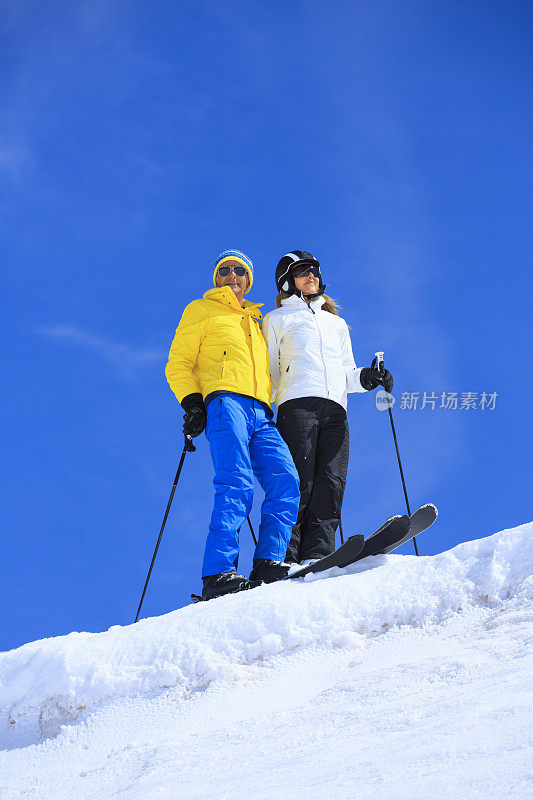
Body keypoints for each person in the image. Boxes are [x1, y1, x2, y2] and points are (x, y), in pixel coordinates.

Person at [165, 250, 300, 600]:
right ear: (216, 278)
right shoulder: (201, 310)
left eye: (240, 270)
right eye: (224, 270)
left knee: (286, 479)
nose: (232, 275)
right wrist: (193, 402)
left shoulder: (258, 320)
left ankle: (269, 561)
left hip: (262, 410)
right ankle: (218, 573)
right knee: (236, 482)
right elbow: (179, 362)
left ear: (248, 280)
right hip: (226, 402)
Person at [262, 250, 393, 567]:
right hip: (297, 405)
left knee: (331, 483)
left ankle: (318, 555)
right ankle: (286, 557)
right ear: (287, 282)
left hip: (336, 409)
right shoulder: (276, 320)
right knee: (299, 482)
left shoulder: (336, 324)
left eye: (315, 271)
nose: (312, 275)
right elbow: (269, 371)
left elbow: (346, 372)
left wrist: (368, 377)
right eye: (303, 271)